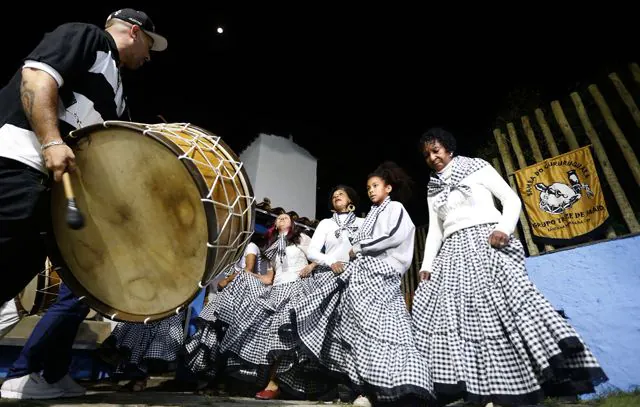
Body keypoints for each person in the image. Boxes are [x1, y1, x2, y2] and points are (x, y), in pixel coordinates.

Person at [0, 8, 167, 399]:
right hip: (17, 161)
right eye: (149, 46)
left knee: (18, 269)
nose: (149, 55)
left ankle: (49, 374)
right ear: (133, 31)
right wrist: (51, 141)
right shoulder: (87, 37)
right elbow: (37, 76)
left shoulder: (119, 92)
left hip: (52, 187)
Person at [411, 127, 608, 406]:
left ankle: (563, 384)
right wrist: (427, 264)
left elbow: (511, 199)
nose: (432, 157)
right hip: (453, 253)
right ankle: (477, 390)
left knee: (515, 305)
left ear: (449, 149)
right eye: (427, 155)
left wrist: (504, 228)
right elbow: (435, 231)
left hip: (487, 240)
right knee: (463, 320)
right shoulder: (433, 188)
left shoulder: (478, 168)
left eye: (436, 151)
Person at [293, 163, 436, 407]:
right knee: (355, 332)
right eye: (368, 187)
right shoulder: (365, 216)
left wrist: (357, 249)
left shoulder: (388, 211)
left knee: (385, 329)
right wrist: (329, 262)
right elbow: (319, 251)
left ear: (388, 188)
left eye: (375, 186)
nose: (371, 190)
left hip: (376, 275)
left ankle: (402, 385)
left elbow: (392, 236)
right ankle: (362, 387)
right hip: (352, 277)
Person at [219, 213, 318, 400]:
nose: (281, 219)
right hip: (277, 291)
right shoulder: (272, 247)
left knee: (285, 334)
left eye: (286, 217)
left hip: (298, 286)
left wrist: (310, 267)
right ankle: (267, 381)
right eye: (278, 218)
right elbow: (269, 278)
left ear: (293, 223)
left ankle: (274, 384)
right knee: (268, 335)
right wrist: (246, 276)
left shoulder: (301, 238)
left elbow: (317, 256)